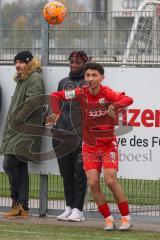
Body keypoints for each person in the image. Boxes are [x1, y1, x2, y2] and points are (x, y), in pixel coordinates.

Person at [50, 62, 133, 230]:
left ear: (101, 78)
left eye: (94, 75)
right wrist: (56, 112)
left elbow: (128, 99)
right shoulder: (80, 93)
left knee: (110, 181)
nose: (90, 78)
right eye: (88, 75)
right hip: (89, 146)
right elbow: (54, 95)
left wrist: (114, 105)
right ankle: (108, 219)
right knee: (93, 183)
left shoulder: (107, 92)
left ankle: (126, 218)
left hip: (108, 145)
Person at [0, 50, 45, 218]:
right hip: (19, 129)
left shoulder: (34, 78)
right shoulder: (23, 78)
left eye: (21, 62)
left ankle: (19, 203)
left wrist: (16, 120)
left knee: (9, 163)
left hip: (25, 130)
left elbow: (32, 103)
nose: (17, 65)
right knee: (19, 165)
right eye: (15, 63)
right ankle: (21, 206)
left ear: (29, 62)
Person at [50, 51, 88, 222]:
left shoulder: (88, 83)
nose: (73, 65)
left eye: (77, 62)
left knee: (80, 174)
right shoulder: (62, 82)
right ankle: (69, 206)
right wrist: (55, 120)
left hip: (80, 136)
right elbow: (58, 104)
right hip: (61, 135)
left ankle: (78, 209)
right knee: (66, 173)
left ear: (85, 63)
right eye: (71, 61)